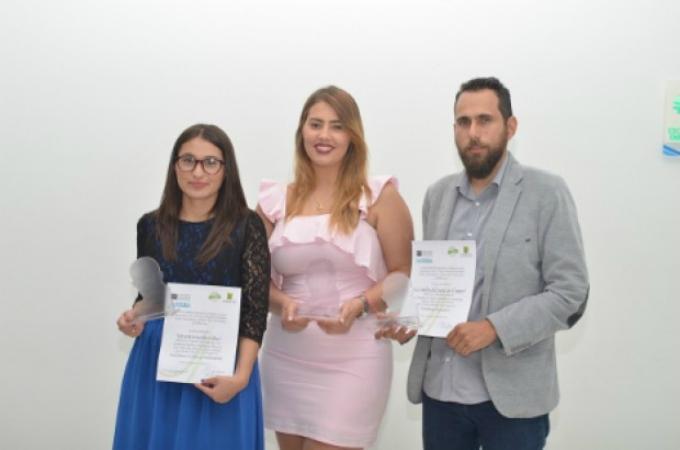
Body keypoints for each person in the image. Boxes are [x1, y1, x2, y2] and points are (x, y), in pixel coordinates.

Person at [377, 77, 589, 450]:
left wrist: (494, 328)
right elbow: (439, 284)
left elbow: (571, 293)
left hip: (511, 402)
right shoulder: (438, 196)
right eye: (463, 122)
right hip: (441, 395)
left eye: (484, 120)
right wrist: (411, 318)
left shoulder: (546, 193)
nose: (473, 133)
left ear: (510, 126)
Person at [256, 86, 414, 450]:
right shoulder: (273, 201)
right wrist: (283, 304)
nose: (324, 135)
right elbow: (255, 282)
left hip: (356, 358)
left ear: (352, 136)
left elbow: (403, 273)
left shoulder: (380, 196)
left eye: (336, 126)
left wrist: (360, 304)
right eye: (315, 124)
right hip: (287, 357)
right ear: (302, 132)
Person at [113, 124, 270, 450]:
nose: (198, 171)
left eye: (211, 162)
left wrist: (240, 378)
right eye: (188, 160)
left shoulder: (247, 225)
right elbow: (151, 298)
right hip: (157, 363)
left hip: (223, 369)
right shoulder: (150, 225)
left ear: (226, 170)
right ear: (175, 166)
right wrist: (134, 318)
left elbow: (255, 310)